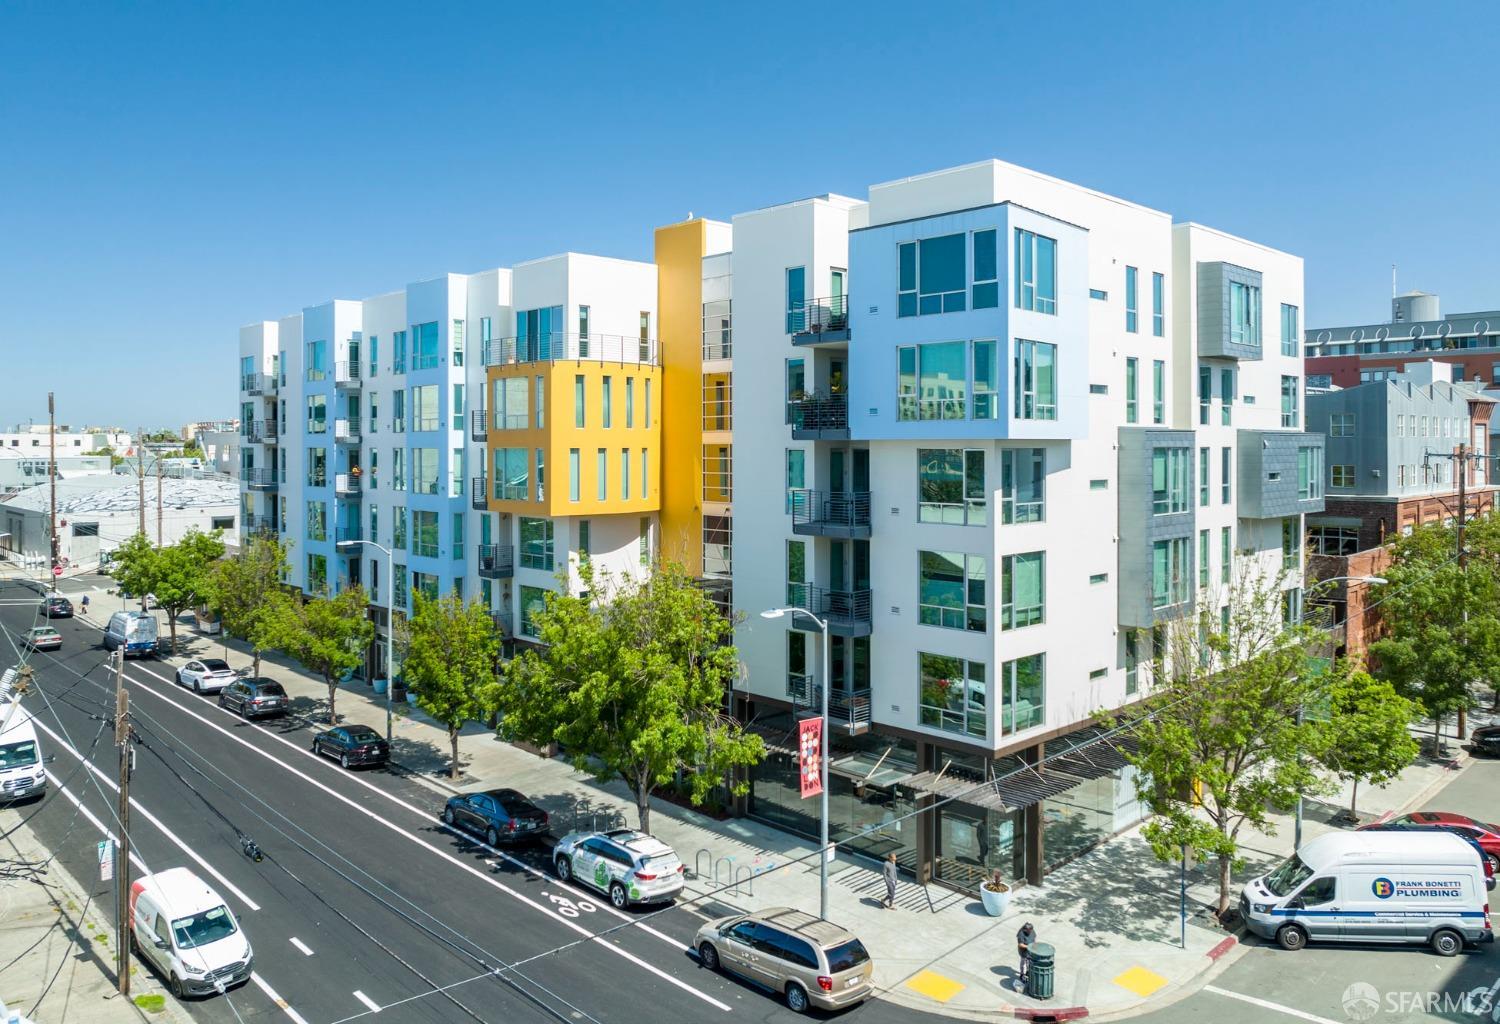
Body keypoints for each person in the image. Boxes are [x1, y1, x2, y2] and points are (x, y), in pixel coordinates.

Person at [1017, 922, 1036, 987]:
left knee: (1029, 962)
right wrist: (1028, 947)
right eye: (1029, 931)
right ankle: (1022, 974)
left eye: (1031, 930)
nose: (1030, 932)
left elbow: (1034, 938)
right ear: (1025, 930)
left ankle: (1028, 972)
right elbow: (1020, 944)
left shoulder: (1032, 931)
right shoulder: (1021, 934)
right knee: (1023, 963)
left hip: (1030, 951)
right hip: (1023, 952)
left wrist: (1034, 945)